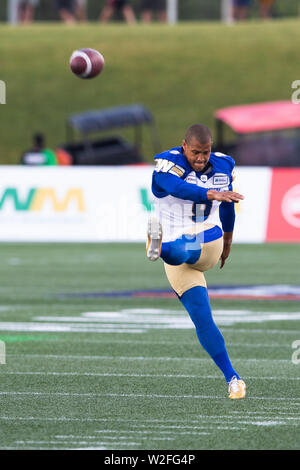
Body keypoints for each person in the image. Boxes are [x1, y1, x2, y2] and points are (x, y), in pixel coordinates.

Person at [146, 124, 246, 399]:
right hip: (177, 242)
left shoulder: (223, 165)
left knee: (187, 245)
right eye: (196, 153)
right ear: (184, 146)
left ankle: (160, 247)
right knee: (202, 319)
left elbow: (227, 206)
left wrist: (228, 241)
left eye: (205, 152)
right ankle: (233, 378)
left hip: (209, 238)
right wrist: (210, 194)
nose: (201, 159)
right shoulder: (169, 163)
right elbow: (174, 187)